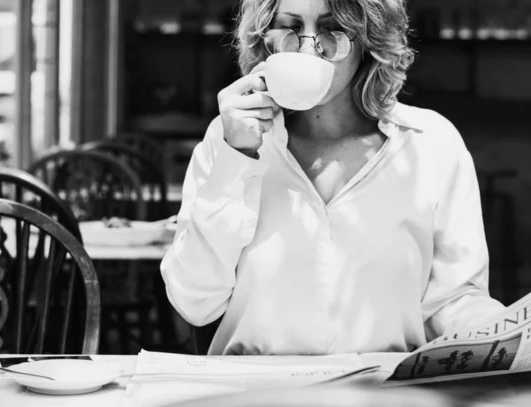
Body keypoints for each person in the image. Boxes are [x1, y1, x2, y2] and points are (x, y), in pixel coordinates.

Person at [160, 0, 505, 355]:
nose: (310, 47)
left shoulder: (429, 144)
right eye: (291, 28)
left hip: (384, 393)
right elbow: (193, 301)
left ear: (368, 40)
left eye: (332, 28)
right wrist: (238, 157)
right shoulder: (228, 139)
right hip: (256, 392)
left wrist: (505, 332)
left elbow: (454, 300)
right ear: (267, 41)